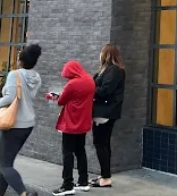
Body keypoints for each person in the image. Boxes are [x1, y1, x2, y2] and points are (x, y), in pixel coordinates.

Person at [0, 44, 42, 196]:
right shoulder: (36, 77)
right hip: (27, 124)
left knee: (5, 165)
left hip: (14, 122)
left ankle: (23, 193)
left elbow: (11, 98)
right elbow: (28, 97)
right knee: (7, 162)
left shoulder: (15, 74)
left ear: (21, 60)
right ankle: (0, 194)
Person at [51, 60, 95, 195]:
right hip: (83, 122)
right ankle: (83, 181)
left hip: (70, 123)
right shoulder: (90, 80)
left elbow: (61, 101)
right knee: (80, 151)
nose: (67, 78)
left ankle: (67, 184)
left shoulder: (72, 84)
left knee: (67, 153)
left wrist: (53, 97)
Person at [90, 44, 127, 188]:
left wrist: (91, 87)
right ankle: (105, 174)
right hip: (103, 111)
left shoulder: (114, 71)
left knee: (100, 143)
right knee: (103, 143)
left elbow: (105, 91)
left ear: (106, 54)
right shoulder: (107, 70)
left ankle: (105, 178)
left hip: (105, 112)